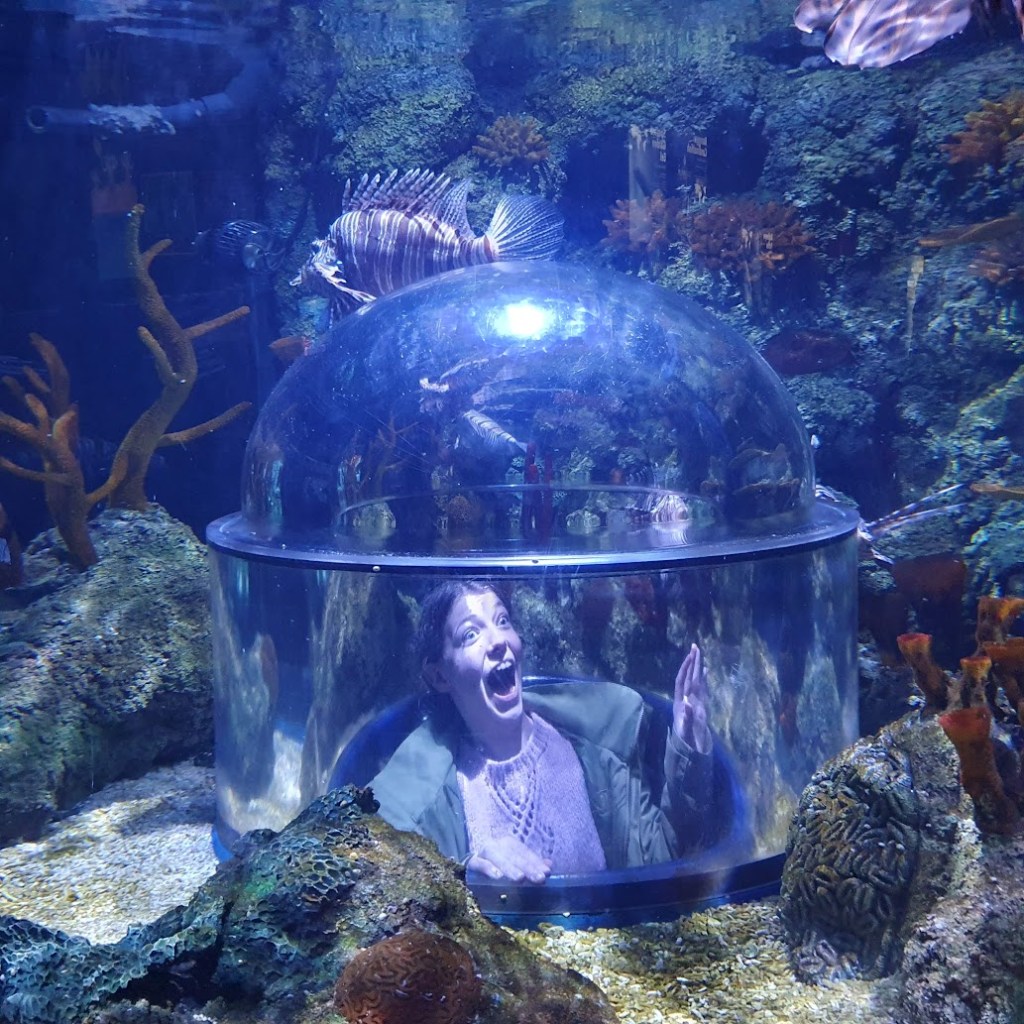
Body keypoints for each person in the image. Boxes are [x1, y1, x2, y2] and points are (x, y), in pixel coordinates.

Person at [369, 580, 713, 883]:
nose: (497, 641)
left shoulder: (597, 754)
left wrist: (689, 749)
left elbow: (666, 860)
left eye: (502, 621)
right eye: (470, 634)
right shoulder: (424, 800)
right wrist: (461, 876)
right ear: (440, 676)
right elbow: (380, 887)